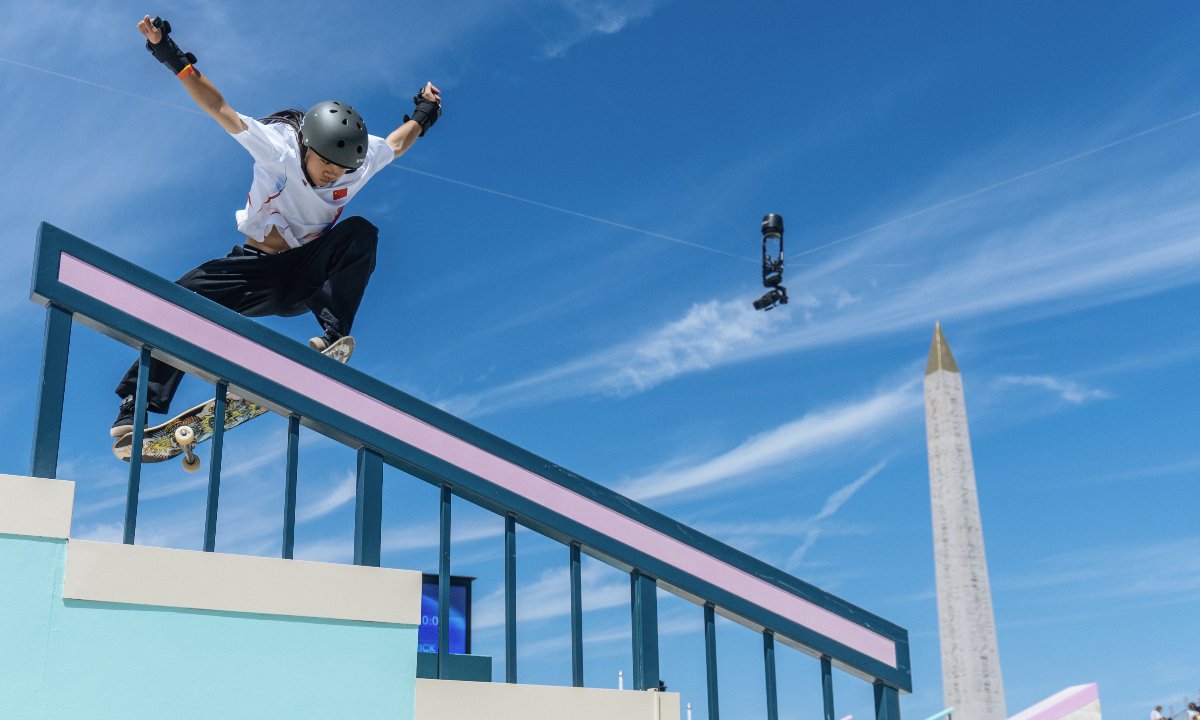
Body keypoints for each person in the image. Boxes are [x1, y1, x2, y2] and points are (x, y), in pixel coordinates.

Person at [111, 15, 442, 437]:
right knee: (178, 302)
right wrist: (168, 53)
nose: (332, 175)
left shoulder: (357, 163)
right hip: (250, 270)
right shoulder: (278, 147)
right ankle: (136, 406)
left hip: (304, 275)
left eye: (343, 170)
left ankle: (333, 335)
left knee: (362, 232)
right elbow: (219, 108)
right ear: (307, 146)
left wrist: (425, 112)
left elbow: (397, 141)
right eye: (325, 165)